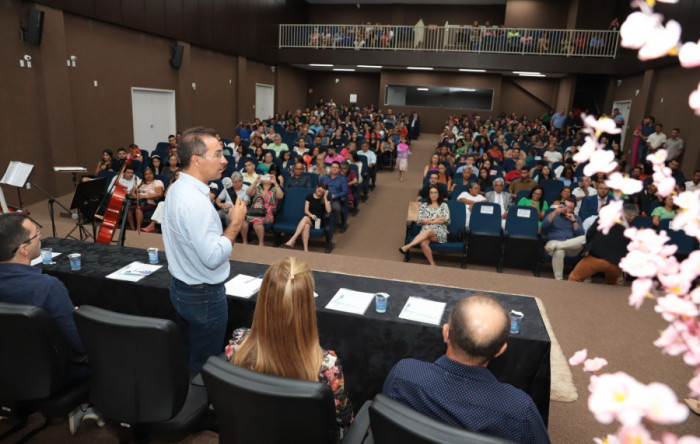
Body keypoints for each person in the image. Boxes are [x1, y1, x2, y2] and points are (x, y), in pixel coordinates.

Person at [382, 294, 549, 443]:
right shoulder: (519, 410)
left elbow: (386, 424)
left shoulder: (404, 374)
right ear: (500, 350)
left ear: (446, 333)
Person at [225, 257, 354, 436]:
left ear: (263, 299)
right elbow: (344, 422)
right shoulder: (327, 367)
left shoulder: (237, 346)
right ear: (308, 307)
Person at [161, 126, 247, 373]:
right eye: (218, 154)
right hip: (204, 297)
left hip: (180, 288)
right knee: (205, 365)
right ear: (197, 160)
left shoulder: (177, 188)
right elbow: (213, 257)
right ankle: (199, 406)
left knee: (190, 352)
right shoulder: (196, 202)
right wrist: (236, 224)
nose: (224, 160)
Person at [569, 204, 638, 284]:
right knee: (612, 284)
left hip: (596, 258)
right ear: (632, 217)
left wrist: (590, 247)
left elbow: (590, 233)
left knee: (574, 278)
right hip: (615, 264)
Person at [398, 185, 450, 266]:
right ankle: (432, 264)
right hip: (425, 232)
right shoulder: (424, 205)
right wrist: (435, 220)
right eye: (431, 192)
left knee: (429, 231)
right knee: (423, 243)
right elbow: (420, 220)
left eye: (435, 192)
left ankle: (408, 246)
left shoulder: (444, 206)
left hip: (440, 233)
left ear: (438, 194)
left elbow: (445, 220)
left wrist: (428, 220)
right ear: (429, 194)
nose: (433, 194)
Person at [542, 197, 585, 280]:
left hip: (570, 246)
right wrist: (554, 212)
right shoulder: (553, 214)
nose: (566, 208)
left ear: (573, 209)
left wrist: (573, 221)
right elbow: (544, 226)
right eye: (565, 205)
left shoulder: (576, 218)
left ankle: (557, 245)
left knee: (584, 238)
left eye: (569, 207)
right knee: (559, 251)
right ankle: (559, 279)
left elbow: (580, 235)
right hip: (553, 241)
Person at [285, 183, 331, 251]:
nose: (320, 193)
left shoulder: (325, 198)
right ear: (317, 187)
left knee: (305, 218)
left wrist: (325, 197)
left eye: (322, 192)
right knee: (306, 226)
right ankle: (306, 249)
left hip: (318, 221)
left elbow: (329, 210)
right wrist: (311, 215)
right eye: (319, 190)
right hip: (310, 218)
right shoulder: (309, 196)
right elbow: (306, 210)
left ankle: (293, 239)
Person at [242, 174, 284, 246]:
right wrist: (255, 182)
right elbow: (248, 193)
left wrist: (275, 182)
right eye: (264, 176)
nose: (266, 178)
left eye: (268, 177)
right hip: (254, 211)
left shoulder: (274, 189)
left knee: (257, 223)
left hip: (267, 213)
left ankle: (261, 243)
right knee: (243, 221)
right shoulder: (257, 188)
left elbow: (280, 196)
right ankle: (244, 241)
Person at [133, 167, 164, 233]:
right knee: (128, 207)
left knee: (138, 208)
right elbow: (132, 192)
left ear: (153, 174)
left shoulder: (157, 182)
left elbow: (159, 194)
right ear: (144, 175)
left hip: (149, 202)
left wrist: (145, 196)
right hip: (137, 201)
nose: (148, 175)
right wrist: (135, 196)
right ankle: (132, 227)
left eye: (150, 173)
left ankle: (138, 229)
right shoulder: (140, 181)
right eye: (146, 174)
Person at [321, 161, 348, 234]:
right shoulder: (324, 178)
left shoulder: (342, 179)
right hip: (323, 198)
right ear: (330, 168)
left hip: (335, 199)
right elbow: (318, 187)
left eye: (336, 168)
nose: (334, 169)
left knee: (336, 208)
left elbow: (345, 192)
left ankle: (333, 226)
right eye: (332, 167)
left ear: (339, 169)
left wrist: (335, 195)